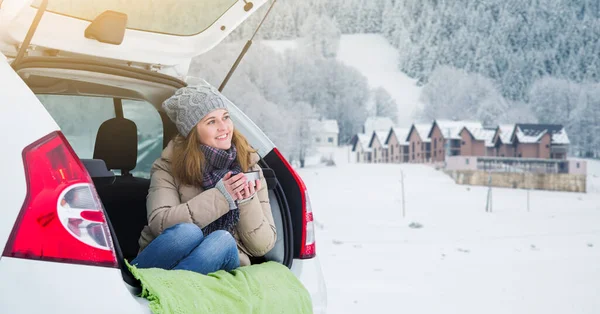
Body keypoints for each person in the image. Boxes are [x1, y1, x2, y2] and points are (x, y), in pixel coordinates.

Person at [132, 83, 277, 275]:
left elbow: (262, 246)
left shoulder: (249, 166)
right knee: (187, 233)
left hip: (219, 256)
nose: (224, 127)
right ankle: (169, 286)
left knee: (222, 240)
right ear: (193, 132)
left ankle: (167, 289)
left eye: (225, 117)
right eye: (211, 122)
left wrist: (246, 200)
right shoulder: (168, 167)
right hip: (165, 258)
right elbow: (160, 224)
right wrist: (221, 197)